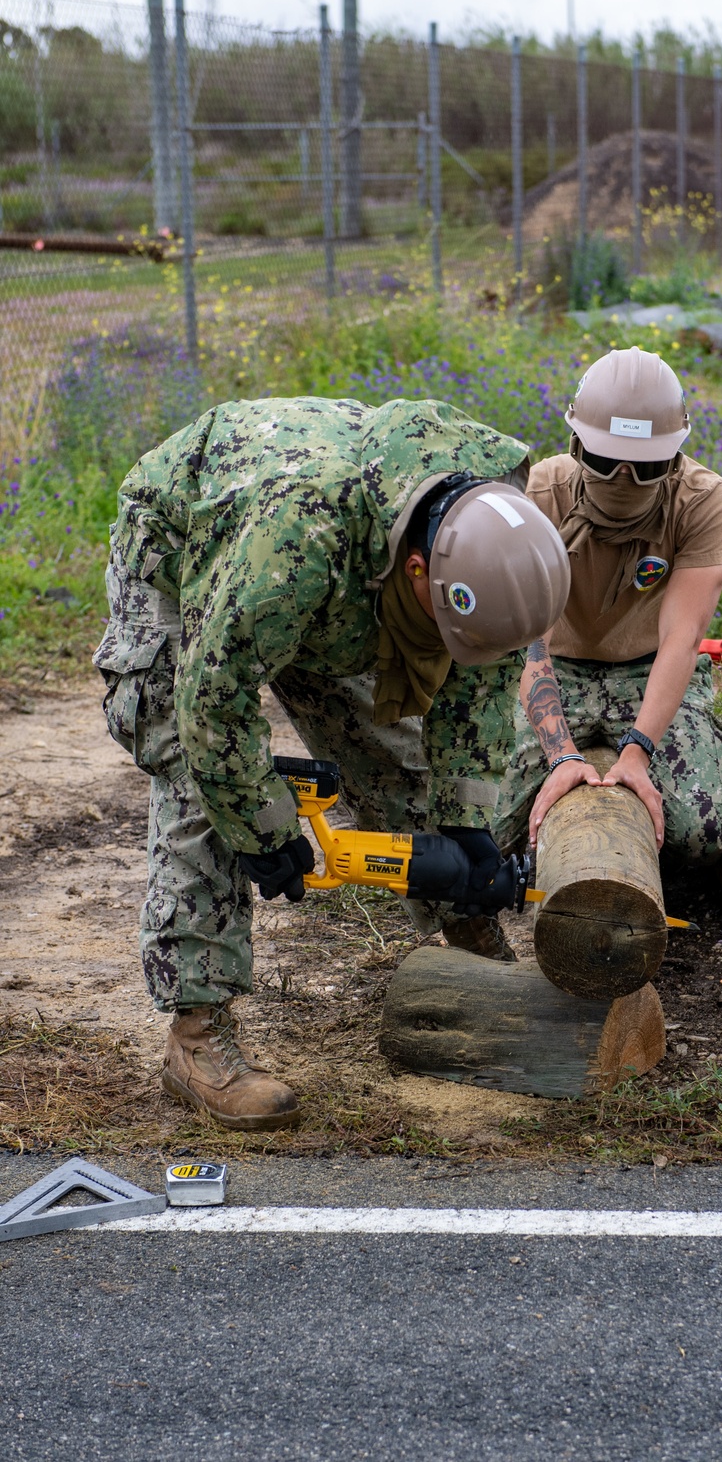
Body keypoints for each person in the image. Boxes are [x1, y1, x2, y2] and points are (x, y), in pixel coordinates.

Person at [94, 395, 570, 1130]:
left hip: (338, 576)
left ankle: (467, 953)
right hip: (189, 548)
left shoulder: (490, 527)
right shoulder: (294, 546)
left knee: (398, 761)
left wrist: (467, 828)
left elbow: (478, 684)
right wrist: (262, 827)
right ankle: (196, 1035)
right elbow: (211, 704)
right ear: (418, 573)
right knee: (202, 775)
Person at [494, 345, 722, 878]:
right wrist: (562, 754)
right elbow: (527, 641)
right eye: (606, 461)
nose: (624, 480)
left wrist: (637, 752)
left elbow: (682, 639)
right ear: (577, 445)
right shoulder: (542, 492)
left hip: (647, 668)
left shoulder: (702, 502)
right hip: (554, 669)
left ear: (675, 456)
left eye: (646, 467)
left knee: (706, 829)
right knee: (481, 823)